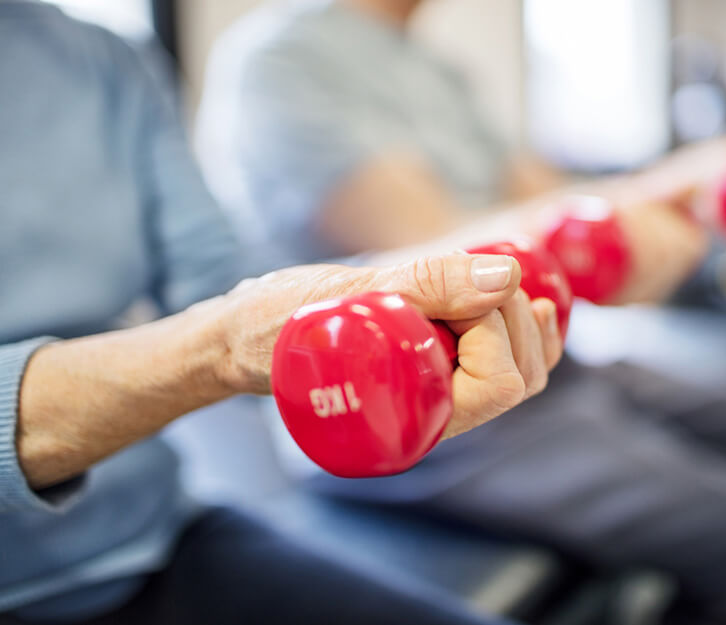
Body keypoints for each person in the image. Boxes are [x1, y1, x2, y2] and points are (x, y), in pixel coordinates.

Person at [197, 1, 726, 623]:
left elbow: (555, 203)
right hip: (415, 420)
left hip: (536, 363)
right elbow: (433, 264)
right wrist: (666, 185)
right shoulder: (285, 62)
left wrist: (703, 200)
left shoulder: (433, 70)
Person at [0, 3, 564, 624]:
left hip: (152, 535)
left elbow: (215, 287)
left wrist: (387, 315)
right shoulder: (284, 55)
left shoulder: (99, 56)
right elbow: (224, 334)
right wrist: (223, 347)